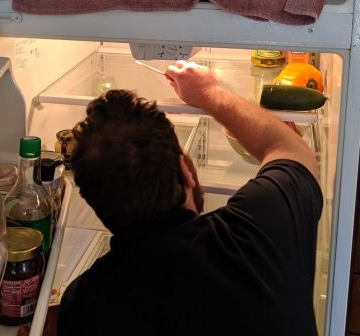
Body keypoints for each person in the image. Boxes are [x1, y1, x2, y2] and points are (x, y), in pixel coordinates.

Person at [58, 60, 323, 336]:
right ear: (186, 172)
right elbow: (291, 150)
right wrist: (208, 94)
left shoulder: (83, 304)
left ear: (96, 204)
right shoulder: (258, 232)